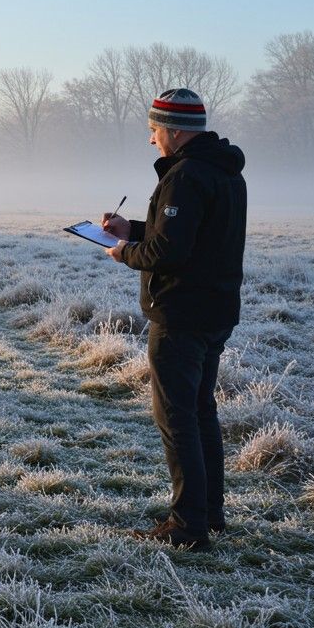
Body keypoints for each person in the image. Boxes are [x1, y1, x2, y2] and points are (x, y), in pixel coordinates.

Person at [102, 88, 247, 552]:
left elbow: (169, 252)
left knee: (177, 419)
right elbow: (190, 237)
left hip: (181, 313)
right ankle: (209, 513)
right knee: (201, 413)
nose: (151, 140)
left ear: (174, 130)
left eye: (153, 130)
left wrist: (125, 252)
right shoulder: (224, 172)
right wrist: (133, 230)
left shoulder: (186, 176)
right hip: (215, 310)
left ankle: (187, 526)